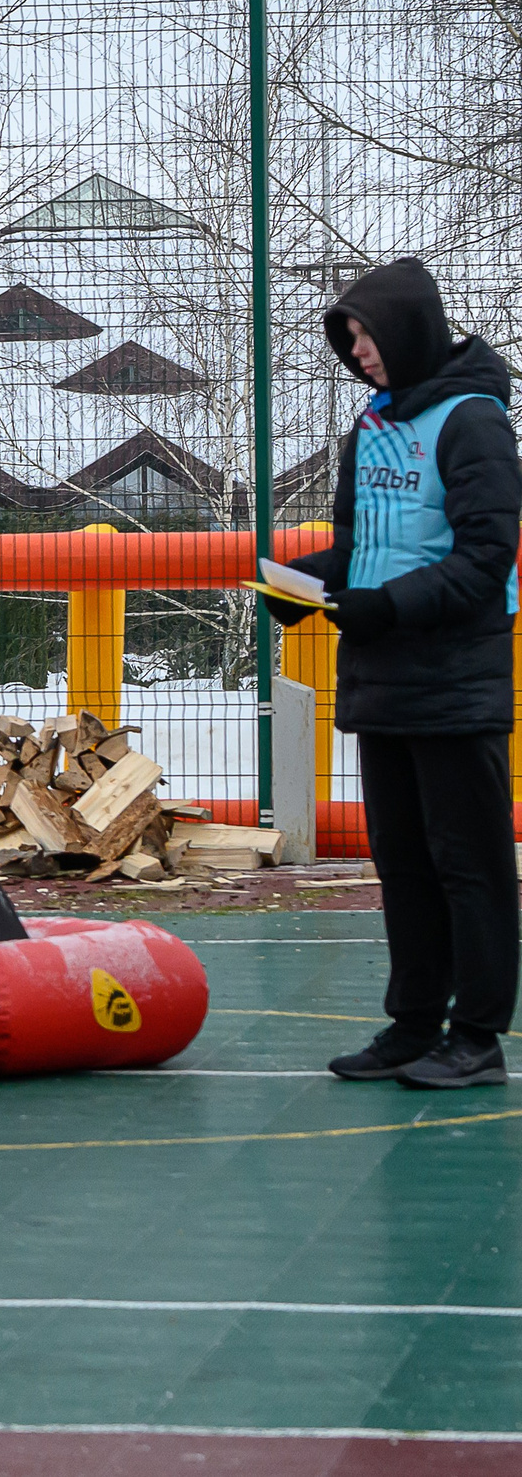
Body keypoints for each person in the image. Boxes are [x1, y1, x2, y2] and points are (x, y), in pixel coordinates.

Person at [263, 258, 518, 1090]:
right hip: (384, 682)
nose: (359, 352)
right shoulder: (370, 429)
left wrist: (387, 605)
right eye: (350, 339)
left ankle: (476, 1036)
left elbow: (486, 559)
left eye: (367, 335)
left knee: (470, 865)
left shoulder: (473, 422)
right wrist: (301, 582)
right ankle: (413, 1025)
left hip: (454, 682)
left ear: (408, 330)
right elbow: (365, 549)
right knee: (402, 863)